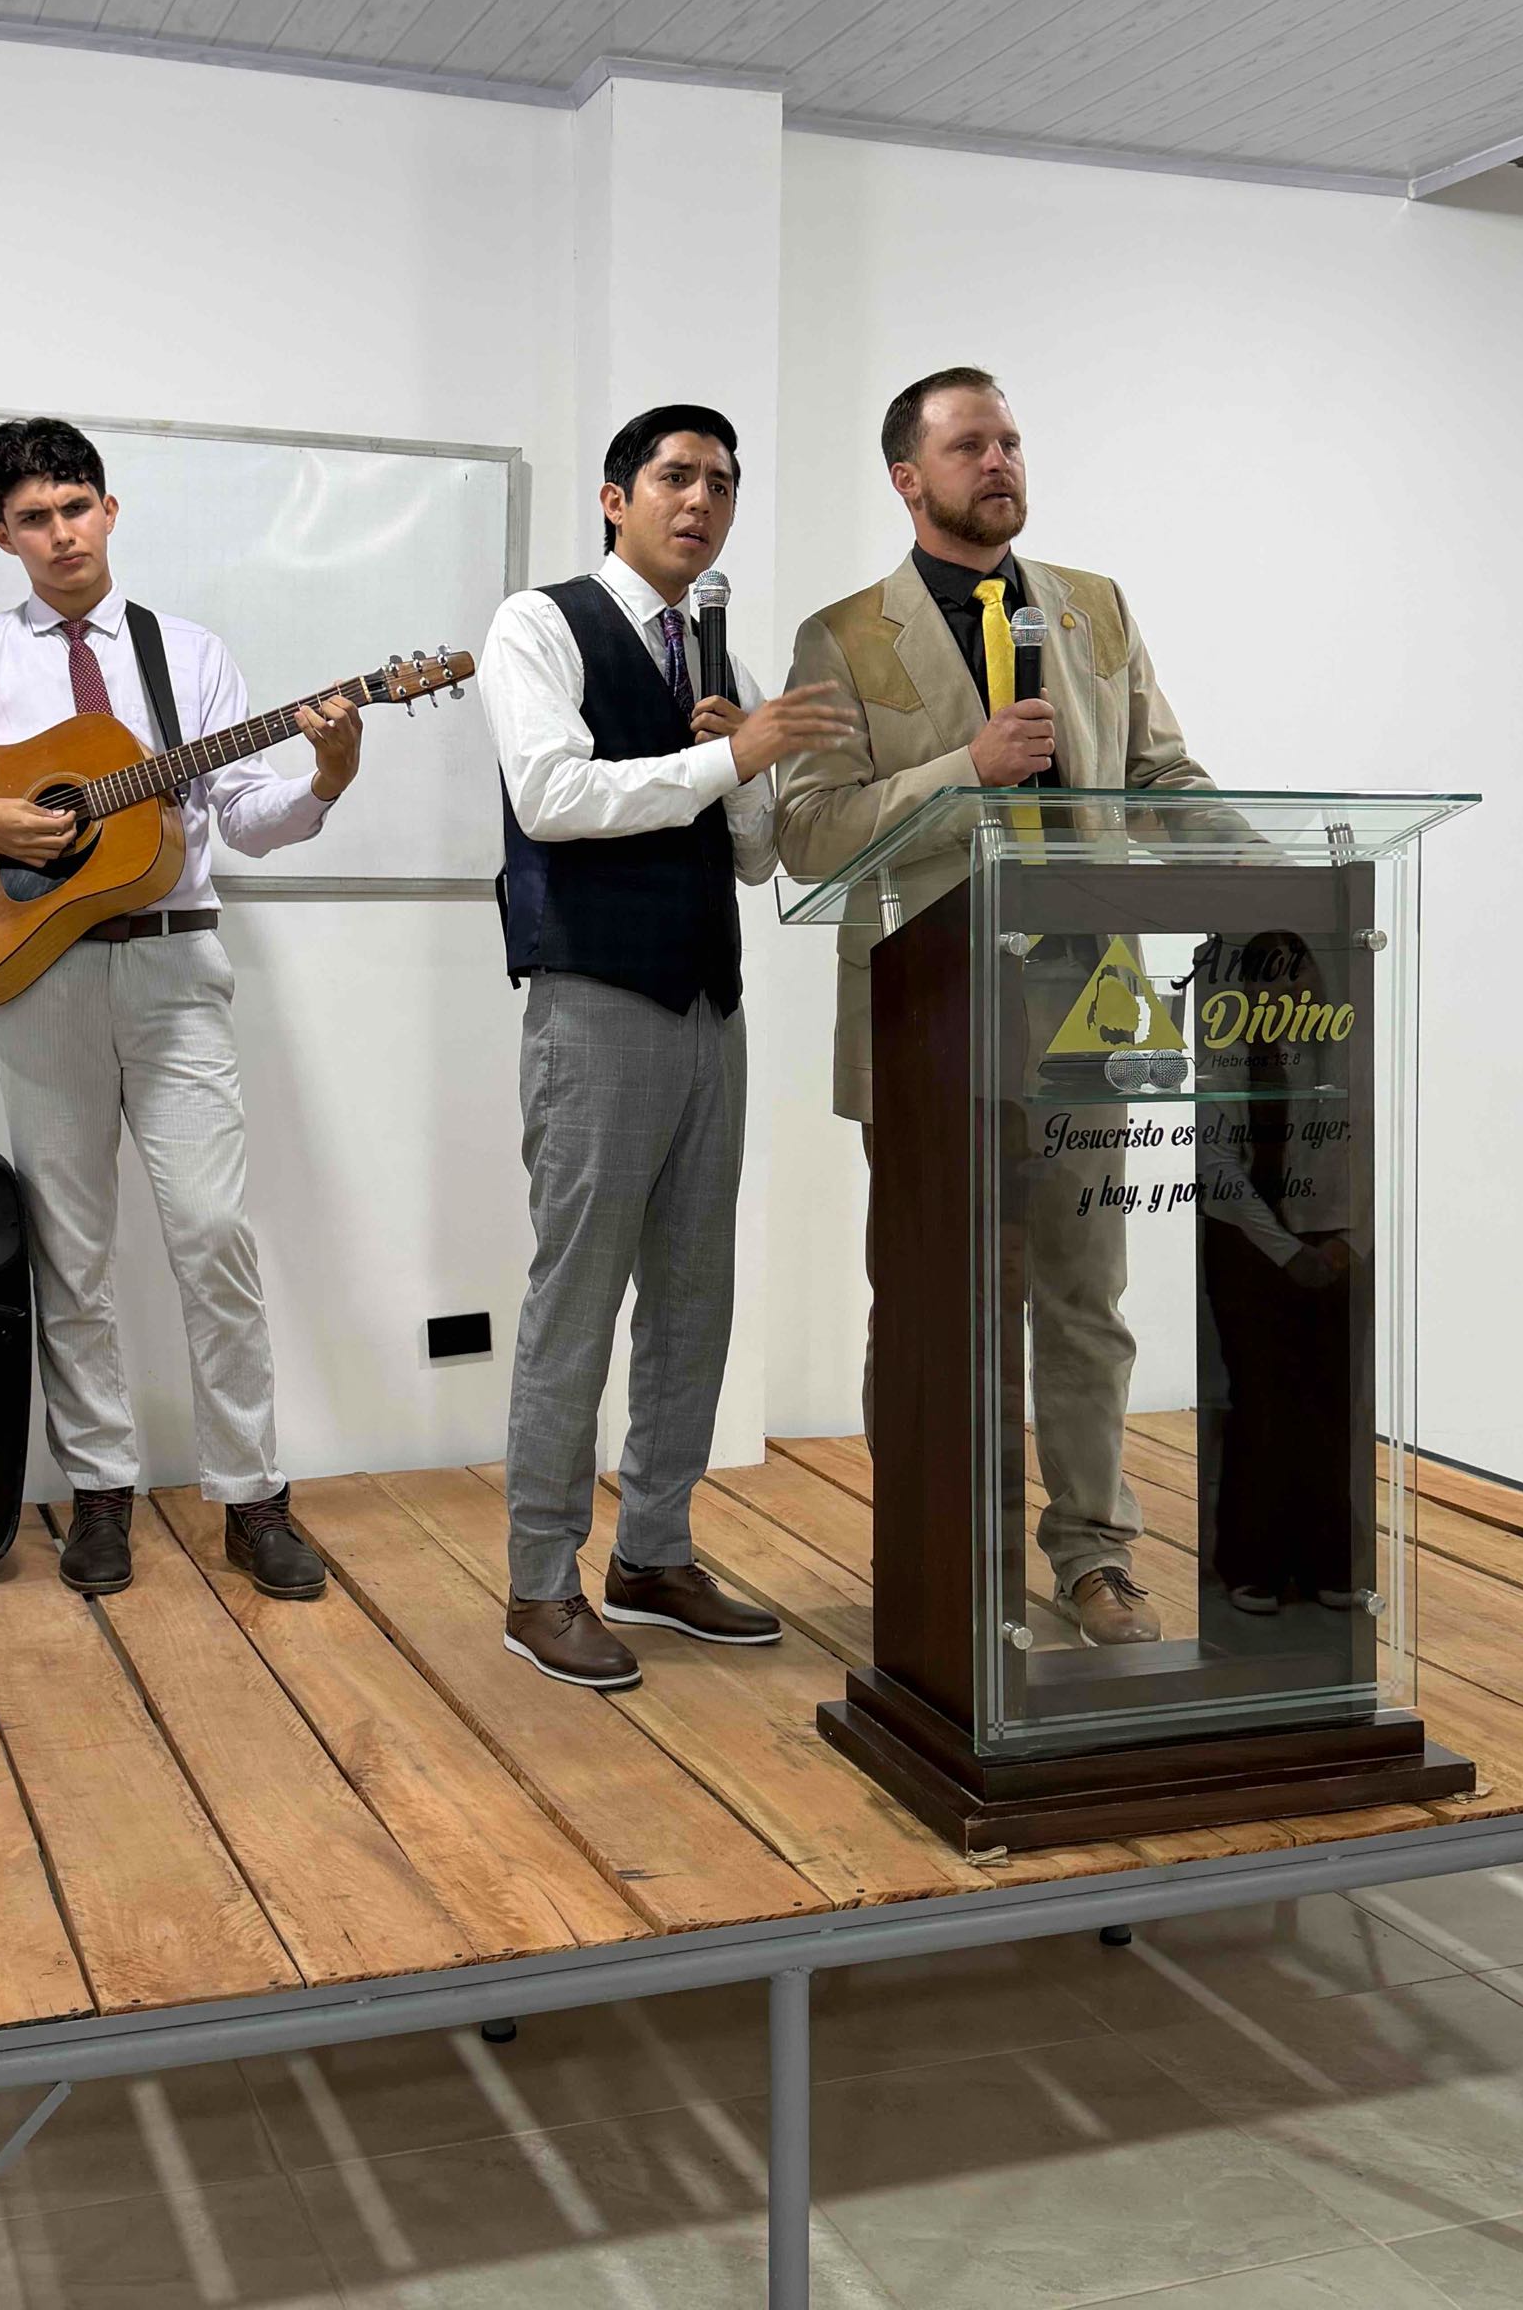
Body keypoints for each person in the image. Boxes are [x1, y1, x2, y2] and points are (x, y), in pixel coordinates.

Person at [0, 416, 360, 1602]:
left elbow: (243, 816)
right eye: (34, 518)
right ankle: (101, 1489)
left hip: (174, 970)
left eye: (76, 507)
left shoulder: (185, 655)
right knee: (72, 1244)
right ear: (0, 535)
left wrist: (325, 774)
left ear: (109, 509)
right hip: (39, 975)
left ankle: (253, 1496)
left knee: (213, 1232)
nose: (61, 534)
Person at [776, 366, 1215, 1648]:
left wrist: (1266, 877)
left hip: (1092, 1009)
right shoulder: (842, 637)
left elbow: (1164, 774)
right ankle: (944, 1550)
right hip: (933, 1014)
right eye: (970, 444)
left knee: (1085, 1297)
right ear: (908, 478)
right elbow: (810, 833)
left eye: (1011, 439)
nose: (1001, 461)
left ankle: (1096, 1557)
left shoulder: (1092, 607)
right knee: (936, 1301)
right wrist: (958, 772)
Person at [481, 403, 857, 1688]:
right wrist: (720, 759)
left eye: (723, 484)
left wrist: (741, 766)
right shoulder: (539, 624)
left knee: (696, 1300)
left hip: (710, 1005)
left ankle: (653, 1553)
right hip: (596, 1001)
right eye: (676, 477)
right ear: (614, 497)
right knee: (578, 1298)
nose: (701, 501)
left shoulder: (716, 651)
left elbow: (747, 858)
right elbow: (551, 795)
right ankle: (541, 1583)